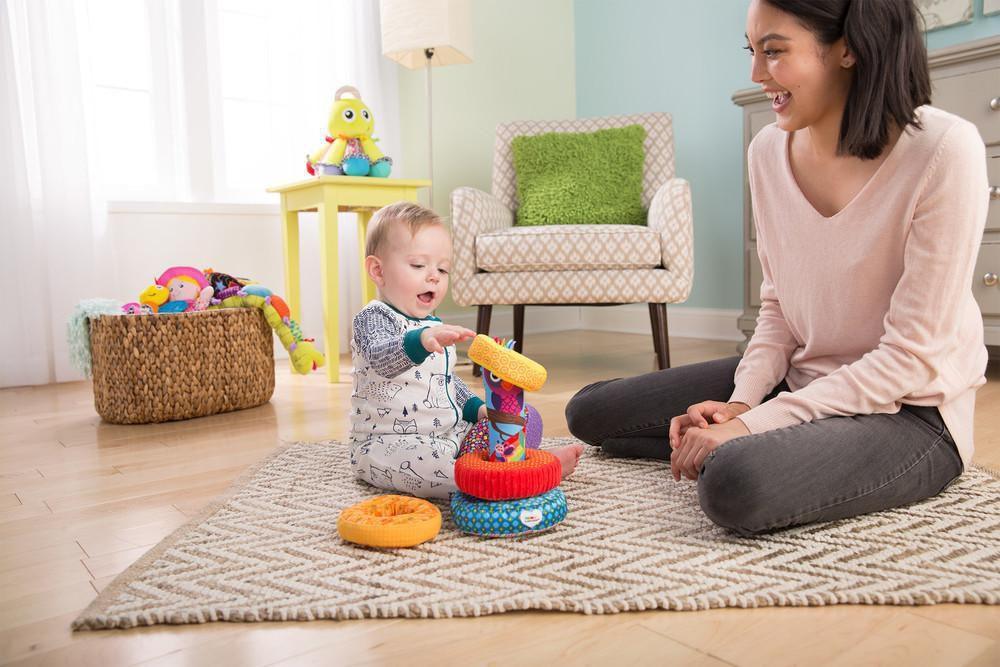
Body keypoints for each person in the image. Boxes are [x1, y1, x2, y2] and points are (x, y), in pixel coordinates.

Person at [566, 0, 989, 535]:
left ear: (848, 49)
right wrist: (739, 403)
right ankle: (730, 442)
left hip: (912, 411)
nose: (755, 73)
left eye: (774, 52)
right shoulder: (768, 149)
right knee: (589, 413)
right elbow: (779, 307)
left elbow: (909, 359)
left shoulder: (944, 148)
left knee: (734, 482)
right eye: (752, 51)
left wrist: (751, 424)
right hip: (799, 378)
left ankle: (743, 449)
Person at [350, 202, 583, 499]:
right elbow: (382, 358)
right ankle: (519, 476)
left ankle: (501, 467)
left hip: (449, 436)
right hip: (390, 444)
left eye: (442, 269)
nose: (433, 275)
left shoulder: (433, 326)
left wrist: (479, 410)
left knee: (523, 419)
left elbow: (445, 381)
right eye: (419, 265)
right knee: (439, 470)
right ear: (377, 270)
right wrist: (421, 340)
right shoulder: (373, 318)